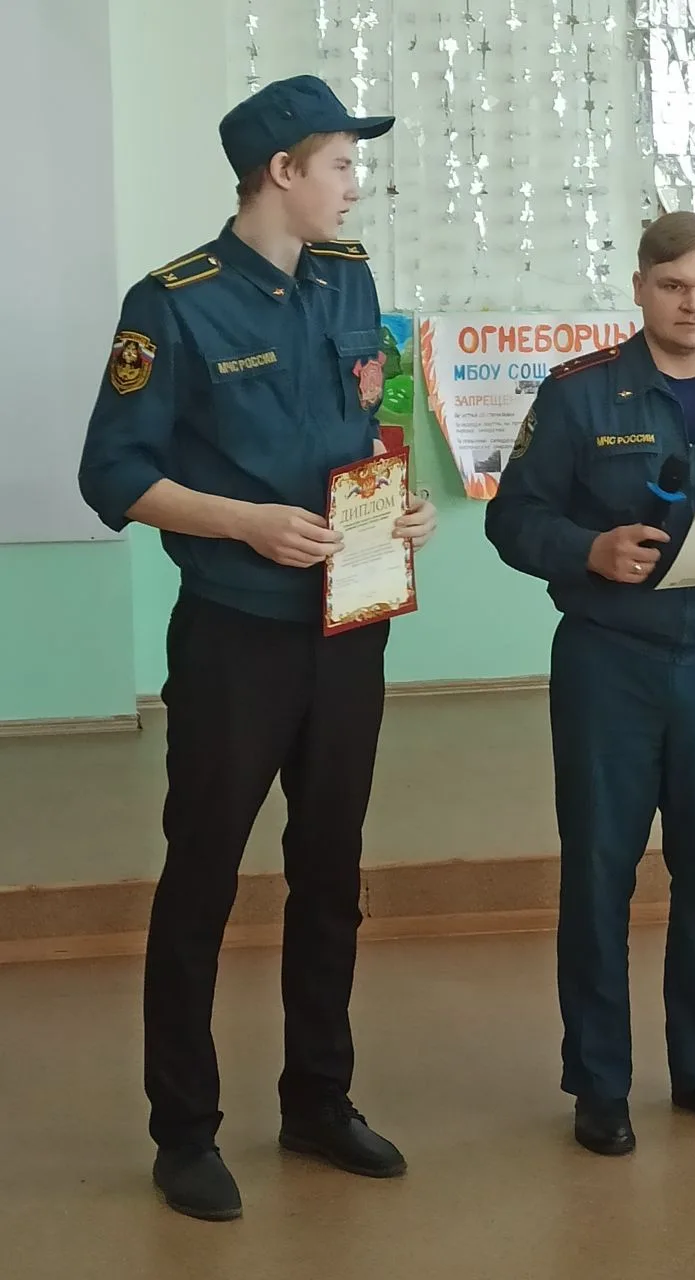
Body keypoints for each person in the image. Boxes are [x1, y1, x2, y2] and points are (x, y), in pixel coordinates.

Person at [78, 75, 437, 1221]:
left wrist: (402, 502)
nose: (354, 184)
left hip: (351, 620)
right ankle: (184, 1129)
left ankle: (318, 1099)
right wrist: (242, 521)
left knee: (331, 869)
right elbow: (111, 473)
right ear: (281, 172)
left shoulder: (348, 276)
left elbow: (364, 419)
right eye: (340, 163)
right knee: (204, 876)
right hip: (238, 633)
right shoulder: (173, 304)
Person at [485, 212, 695, 1156]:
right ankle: (600, 1084)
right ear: (639, 287)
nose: (693, 305)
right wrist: (586, 550)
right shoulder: (578, 395)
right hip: (610, 664)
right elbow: (514, 519)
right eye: (675, 286)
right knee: (599, 871)